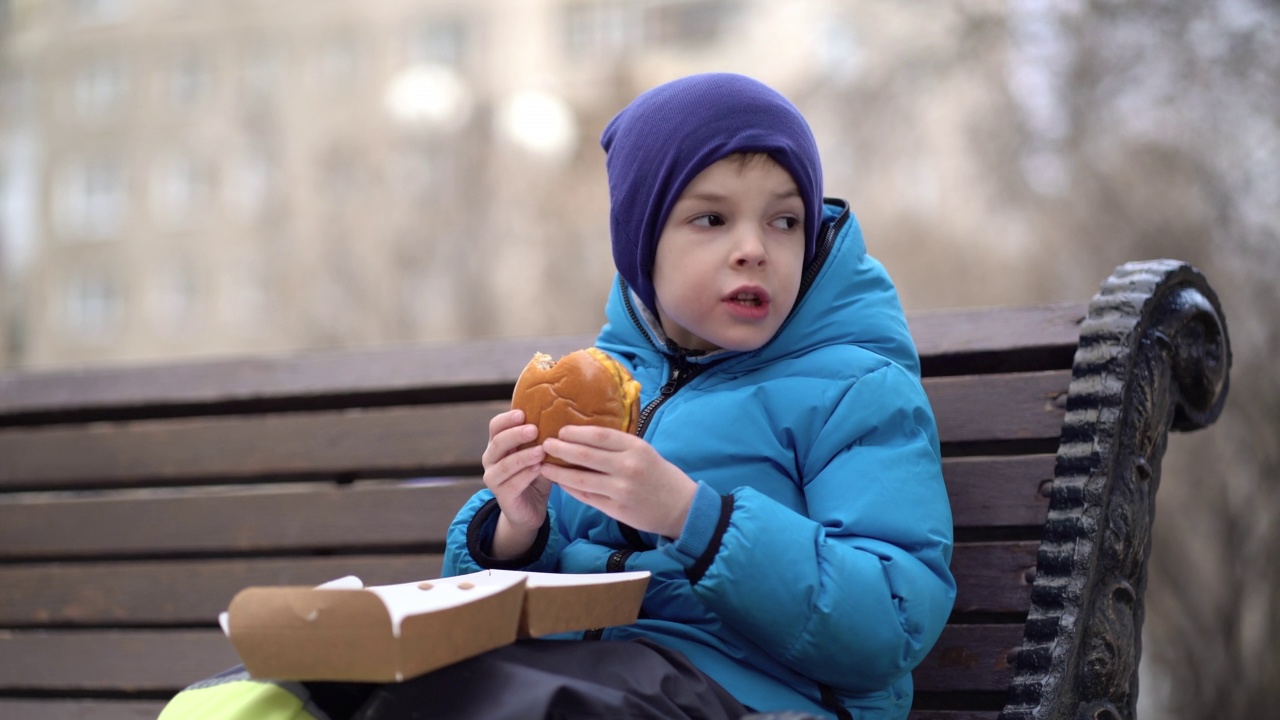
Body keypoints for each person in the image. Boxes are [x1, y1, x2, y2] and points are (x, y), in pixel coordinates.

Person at [158, 72, 954, 720]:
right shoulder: (603, 384)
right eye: (711, 218)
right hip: (594, 676)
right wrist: (517, 524)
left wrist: (691, 516)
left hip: (751, 698)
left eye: (784, 222)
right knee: (279, 694)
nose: (753, 249)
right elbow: (508, 596)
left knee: (491, 702)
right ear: (642, 245)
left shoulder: (855, 389)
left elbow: (889, 622)